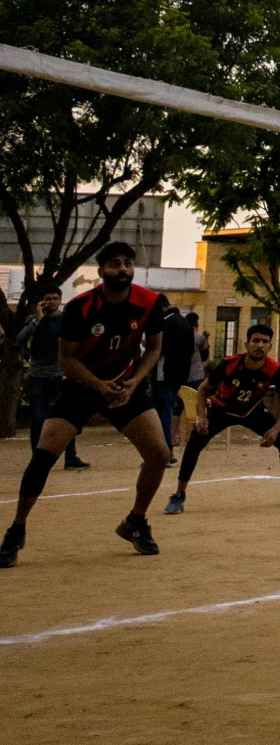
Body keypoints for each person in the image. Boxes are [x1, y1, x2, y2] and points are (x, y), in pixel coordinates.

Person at [1, 242, 170, 566]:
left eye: (127, 264)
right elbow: (67, 360)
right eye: (115, 264)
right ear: (102, 270)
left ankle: (136, 521)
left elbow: (154, 349)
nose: (122, 269)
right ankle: (16, 530)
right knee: (43, 456)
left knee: (159, 455)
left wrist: (135, 382)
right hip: (81, 386)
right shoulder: (81, 307)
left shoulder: (148, 302)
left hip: (124, 385)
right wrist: (98, 386)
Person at [165, 323, 280, 513]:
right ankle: (179, 494)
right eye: (256, 340)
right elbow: (202, 391)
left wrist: (275, 429)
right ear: (246, 343)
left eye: (265, 342)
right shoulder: (229, 364)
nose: (260, 345)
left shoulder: (273, 369)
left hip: (252, 411)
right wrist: (201, 417)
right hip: (222, 410)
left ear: (270, 346)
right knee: (195, 442)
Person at [20, 292, 88, 468]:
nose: (51, 302)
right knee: (38, 417)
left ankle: (70, 457)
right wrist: (38, 319)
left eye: (54, 298)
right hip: (38, 375)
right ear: (41, 301)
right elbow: (20, 338)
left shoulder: (65, 320)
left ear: (60, 300)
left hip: (61, 374)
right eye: (47, 299)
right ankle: (37, 458)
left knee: (67, 416)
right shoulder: (34, 320)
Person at [158, 302, 199, 465]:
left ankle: (166, 453)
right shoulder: (185, 324)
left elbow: (160, 350)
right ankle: (169, 452)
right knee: (172, 410)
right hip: (181, 375)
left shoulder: (166, 323)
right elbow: (190, 352)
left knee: (164, 413)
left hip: (165, 375)